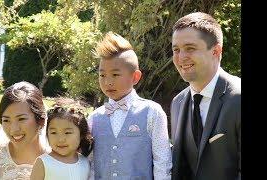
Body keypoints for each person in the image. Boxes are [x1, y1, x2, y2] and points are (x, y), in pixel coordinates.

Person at [88, 31, 172, 180]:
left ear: (135, 77)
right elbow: (91, 164)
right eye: (102, 75)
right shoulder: (94, 118)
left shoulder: (152, 112)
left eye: (115, 74)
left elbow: (162, 162)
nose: (108, 82)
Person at [170, 12, 241, 180]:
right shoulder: (177, 103)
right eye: (176, 50)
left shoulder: (238, 98)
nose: (181, 57)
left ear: (215, 51)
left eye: (190, 48)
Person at [0, 81, 51, 180]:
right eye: (6, 120)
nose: (13, 129)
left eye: (21, 119)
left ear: (41, 120)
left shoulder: (58, 162)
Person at [30, 97, 93, 180]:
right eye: (53, 133)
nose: (60, 139)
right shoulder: (43, 162)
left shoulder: (85, 163)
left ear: (81, 134)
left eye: (67, 133)